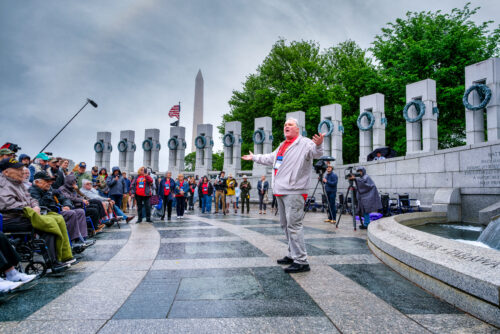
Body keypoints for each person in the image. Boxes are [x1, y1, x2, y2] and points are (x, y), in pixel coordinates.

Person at [243, 118, 324, 273]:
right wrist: (254, 157)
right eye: (285, 125)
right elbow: (269, 158)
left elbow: (317, 153)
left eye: (290, 124)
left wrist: (319, 143)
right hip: (280, 190)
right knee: (285, 225)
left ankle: (301, 261)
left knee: (294, 226)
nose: (286, 126)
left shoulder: (305, 143)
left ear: (297, 129)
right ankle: (292, 254)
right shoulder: (282, 145)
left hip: (294, 190)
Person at [0, 158, 73, 268]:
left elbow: (31, 198)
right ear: (6, 172)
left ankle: (59, 258)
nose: (22, 172)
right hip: (10, 219)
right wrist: (29, 208)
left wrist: (35, 206)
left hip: (23, 215)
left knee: (56, 219)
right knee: (48, 225)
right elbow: (7, 204)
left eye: (22, 169)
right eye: (18, 169)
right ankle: (52, 262)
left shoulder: (18, 183)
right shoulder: (3, 185)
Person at [30, 172, 94, 248]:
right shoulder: (33, 190)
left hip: (57, 210)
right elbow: (41, 204)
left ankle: (82, 239)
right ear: (37, 182)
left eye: (50, 181)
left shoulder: (49, 188)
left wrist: (67, 205)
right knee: (71, 214)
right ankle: (71, 242)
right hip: (48, 213)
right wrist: (50, 196)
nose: (50, 183)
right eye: (47, 181)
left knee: (80, 211)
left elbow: (64, 198)